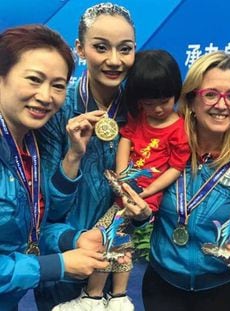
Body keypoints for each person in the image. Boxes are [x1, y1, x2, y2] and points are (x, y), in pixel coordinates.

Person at [34, 3, 151, 310]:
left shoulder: (140, 110)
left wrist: (140, 214)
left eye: (125, 49)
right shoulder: (56, 106)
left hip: (115, 266)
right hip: (65, 266)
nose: (115, 60)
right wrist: (74, 155)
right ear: (80, 49)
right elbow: (46, 206)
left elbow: (141, 184)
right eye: (101, 47)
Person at [141, 51, 230, 311]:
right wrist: (137, 211)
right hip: (162, 287)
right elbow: (141, 210)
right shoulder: (163, 153)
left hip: (220, 292)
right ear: (191, 100)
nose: (222, 105)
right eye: (210, 94)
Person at [0, 24, 115, 310]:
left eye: (58, 85)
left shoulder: (28, 144)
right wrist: (56, 266)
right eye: (34, 79)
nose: (46, 96)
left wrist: (74, 238)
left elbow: (35, 225)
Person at [67, 49, 190, 311]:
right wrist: (124, 179)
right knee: (119, 239)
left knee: (104, 234)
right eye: (148, 102)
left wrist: (144, 193)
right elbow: (126, 140)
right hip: (125, 190)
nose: (156, 108)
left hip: (145, 199)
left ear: (177, 92)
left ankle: (94, 296)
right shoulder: (139, 118)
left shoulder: (180, 129)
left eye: (164, 100)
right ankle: (118, 296)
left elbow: (175, 168)